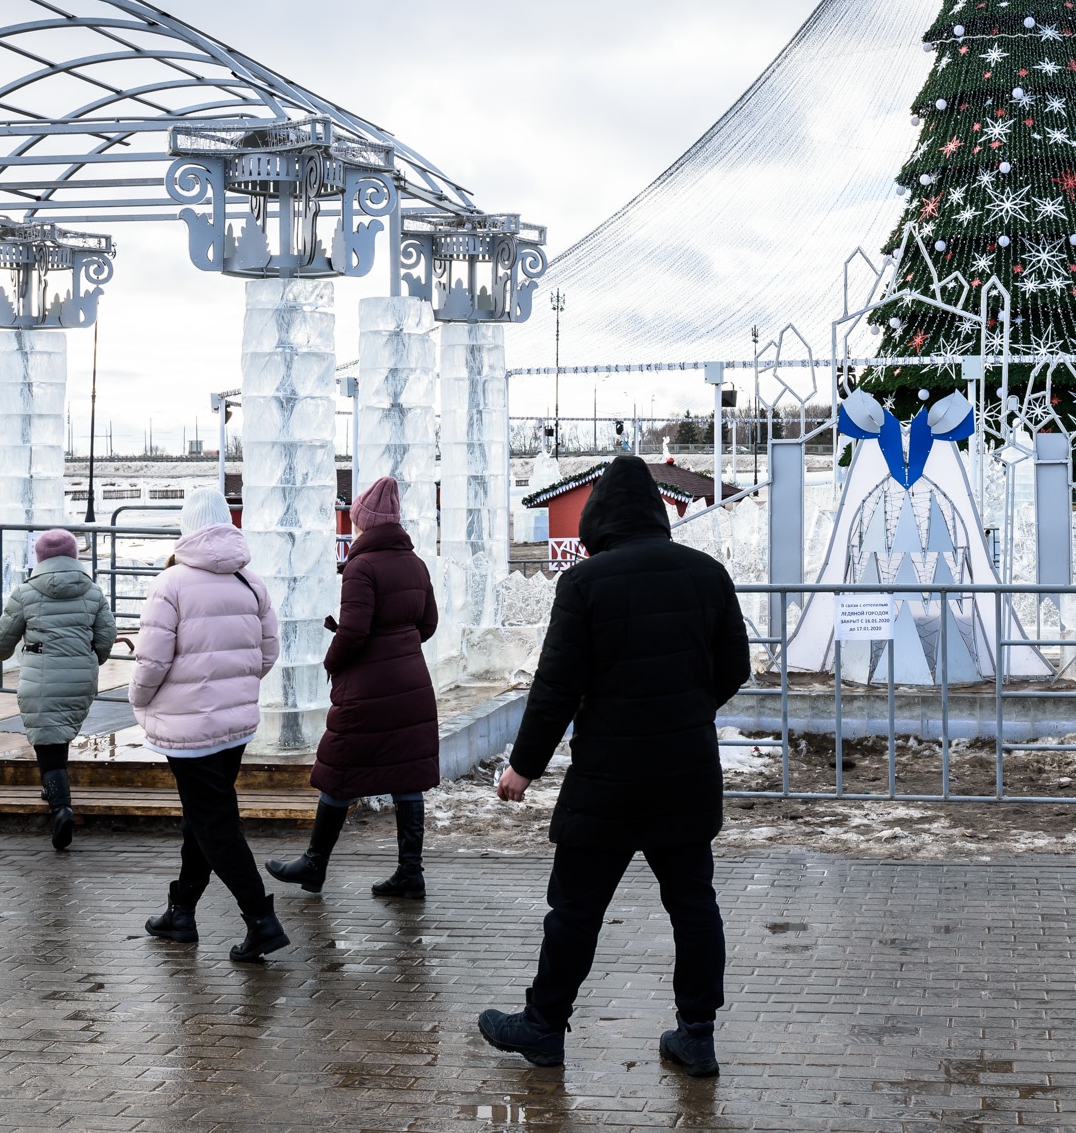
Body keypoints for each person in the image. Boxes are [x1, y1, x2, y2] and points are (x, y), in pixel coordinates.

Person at [478, 456, 750, 1078]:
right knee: (693, 905)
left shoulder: (584, 583)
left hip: (608, 781)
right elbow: (735, 665)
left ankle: (544, 1027)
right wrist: (685, 709)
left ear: (599, 518)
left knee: (575, 908)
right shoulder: (707, 574)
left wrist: (523, 768)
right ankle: (698, 1035)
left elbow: (556, 687)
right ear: (656, 512)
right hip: (685, 775)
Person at [129, 487, 290, 963]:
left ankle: (260, 919)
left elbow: (151, 661)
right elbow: (267, 653)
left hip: (188, 731)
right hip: (233, 727)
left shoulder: (171, 584)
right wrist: (233, 688)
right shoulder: (250, 581)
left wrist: (137, 700)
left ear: (186, 527)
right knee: (204, 817)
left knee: (215, 823)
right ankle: (181, 912)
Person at [266, 475, 440, 898]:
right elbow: (429, 624)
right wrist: (398, 645)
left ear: (364, 522)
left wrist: (331, 662)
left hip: (369, 689)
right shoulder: (415, 564)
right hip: (412, 684)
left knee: (338, 768)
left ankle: (314, 865)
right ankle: (409, 873)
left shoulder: (361, 566)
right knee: (406, 776)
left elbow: (355, 633)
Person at [0, 528, 116, 852]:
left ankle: (61, 807)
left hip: (41, 677)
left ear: (40, 558)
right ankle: (53, 790)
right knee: (58, 733)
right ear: (73, 556)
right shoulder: (92, 592)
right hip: (80, 676)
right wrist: (88, 659)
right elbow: (106, 636)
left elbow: (0, 645)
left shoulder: (26, 593)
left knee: (48, 739)